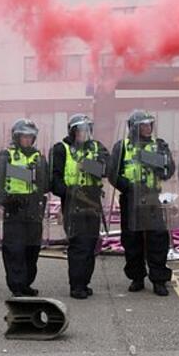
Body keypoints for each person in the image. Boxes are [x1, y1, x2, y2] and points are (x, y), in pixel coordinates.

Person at [108, 110, 175, 297]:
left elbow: (169, 170)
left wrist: (150, 159)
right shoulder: (122, 146)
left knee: (157, 239)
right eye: (143, 125)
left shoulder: (159, 145)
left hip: (152, 197)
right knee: (132, 240)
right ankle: (137, 277)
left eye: (149, 125)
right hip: (131, 197)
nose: (147, 128)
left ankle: (159, 279)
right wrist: (128, 187)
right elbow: (112, 173)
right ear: (134, 127)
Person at [50, 114, 109, 299]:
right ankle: (76, 285)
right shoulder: (61, 149)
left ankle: (84, 282)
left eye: (87, 130)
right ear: (73, 131)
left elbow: (108, 168)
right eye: (80, 130)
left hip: (92, 201)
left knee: (91, 244)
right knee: (78, 245)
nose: (84, 133)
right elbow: (54, 179)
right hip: (72, 202)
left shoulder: (97, 147)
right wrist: (68, 192)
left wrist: (88, 165)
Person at [0, 119, 49, 297]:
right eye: (24, 136)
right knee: (15, 250)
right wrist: (6, 200)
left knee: (32, 250)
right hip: (14, 209)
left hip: (33, 210)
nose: (27, 140)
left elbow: (45, 185)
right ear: (17, 137)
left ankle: (26, 283)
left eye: (30, 136)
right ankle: (16, 285)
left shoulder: (39, 157)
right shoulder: (5, 155)